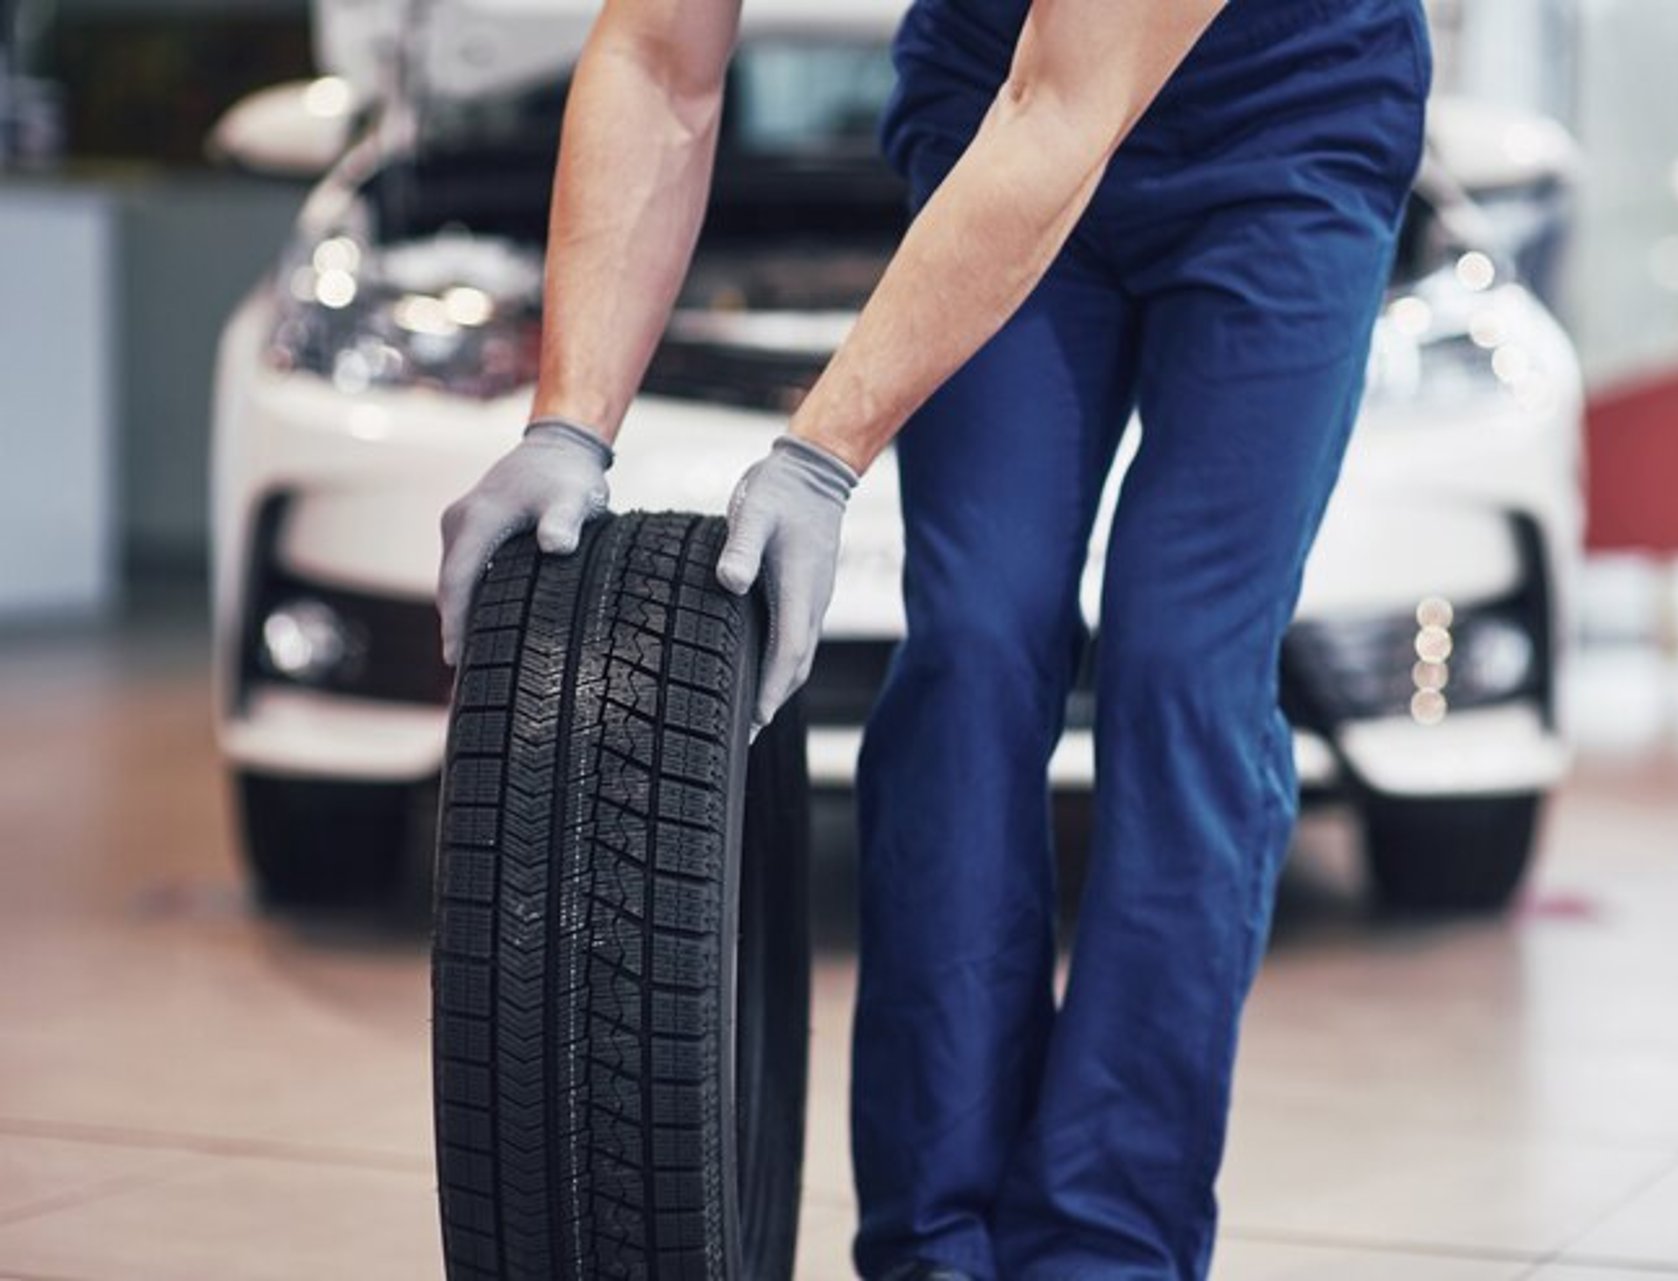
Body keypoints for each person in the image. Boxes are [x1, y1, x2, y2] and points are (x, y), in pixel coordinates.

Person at [436, 0, 1431, 1275]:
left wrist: (820, 458)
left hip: (1287, 127)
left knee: (1184, 663)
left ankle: (1107, 1241)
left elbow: (1067, 109)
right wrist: (566, 425)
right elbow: (655, 56)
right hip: (993, 88)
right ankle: (932, 1240)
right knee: (973, 641)